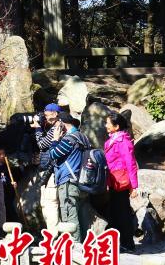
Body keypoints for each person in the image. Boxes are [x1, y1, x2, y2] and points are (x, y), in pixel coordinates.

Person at [49, 112, 94, 241]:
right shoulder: (82, 136)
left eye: (56, 124)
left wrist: (55, 140)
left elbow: (53, 154)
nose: (54, 127)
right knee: (82, 217)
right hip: (82, 181)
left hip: (68, 182)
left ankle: (74, 250)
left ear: (62, 123)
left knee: (70, 217)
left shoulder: (69, 139)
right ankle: (86, 246)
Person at [104, 111, 139, 252]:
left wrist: (134, 186)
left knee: (123, 213)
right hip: (113, 181)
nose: (105, 125)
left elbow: (131, 163)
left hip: (122, 182)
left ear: (116, 126)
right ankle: (118, 242)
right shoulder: (111, 140)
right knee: (115, 212)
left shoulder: (123, 141)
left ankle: (128, 244)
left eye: (108, 123)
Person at [34, 103, 63, 230]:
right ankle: (52, 234)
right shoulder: (54, 127)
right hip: (49, 169)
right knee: (46, 204)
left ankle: (53, 236)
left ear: (55, 114)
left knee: (49, 204)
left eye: (47, 112)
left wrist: (37, 128)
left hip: (51, 170)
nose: (45, 114)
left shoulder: (57, 127)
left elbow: (41, 144)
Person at [0, 143, 21, 223]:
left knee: (12, 216)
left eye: (3, 154)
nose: (2, 156)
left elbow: (9, 180)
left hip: (7, 196)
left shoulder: (6, 166)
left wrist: (13, 184)